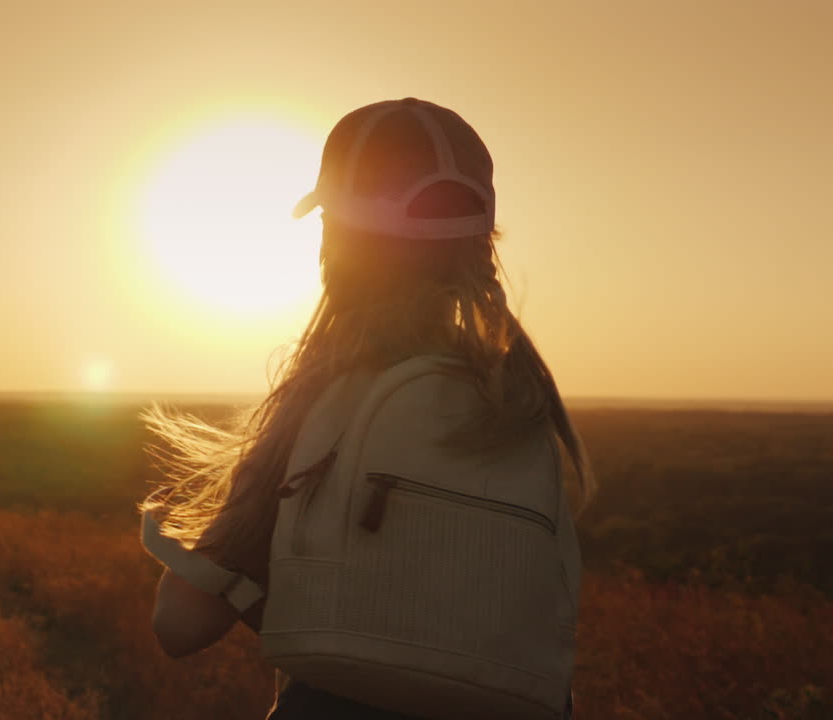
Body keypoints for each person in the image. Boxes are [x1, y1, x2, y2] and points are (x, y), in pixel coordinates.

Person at [139, 97, 595, 719]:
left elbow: (180, 624)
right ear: (481, 242)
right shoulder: (518, 410)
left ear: (336, 241)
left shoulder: (325, 401)